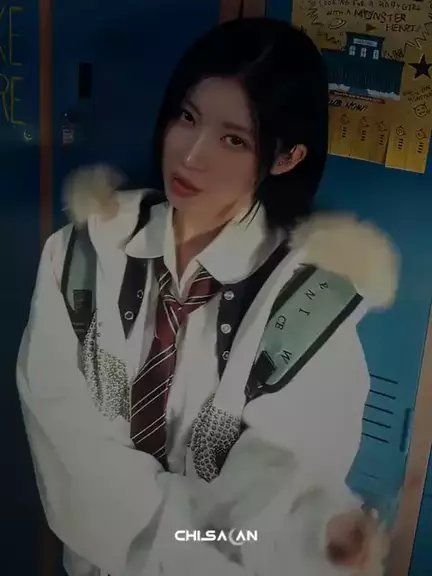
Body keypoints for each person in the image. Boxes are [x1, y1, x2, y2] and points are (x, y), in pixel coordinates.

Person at [17, 17, 397, 576]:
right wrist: (213, 533)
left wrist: (300, 534)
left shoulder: (308, 309)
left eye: (233, 139)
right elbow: (73, 469)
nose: (191, 155)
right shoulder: (80, 257)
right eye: (187, 117)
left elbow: (279, 506)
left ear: (285, 157)